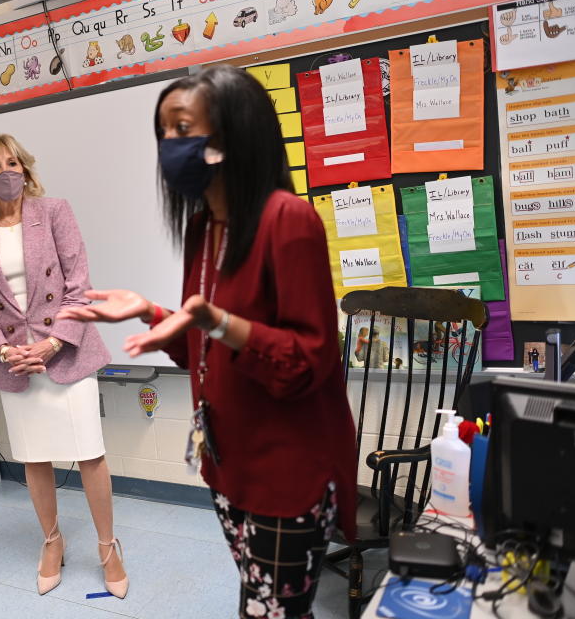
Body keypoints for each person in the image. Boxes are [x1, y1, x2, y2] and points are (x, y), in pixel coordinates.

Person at [58, 66, 357, 619]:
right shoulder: (203, 226)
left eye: (182, 128)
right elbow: (204, 338)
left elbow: (306, 363)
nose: (168, 147)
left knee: (272, 611)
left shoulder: (288, 220)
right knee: (266, 603)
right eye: (163, 133)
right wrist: (153, 313)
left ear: (229, 137)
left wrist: (215, 322)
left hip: (287, 470)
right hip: (227, 462)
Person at [0, 134, 128, 598]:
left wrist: (53, 342)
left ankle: (107, 546)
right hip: (16, 362)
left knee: (90, 453)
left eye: (12, 162)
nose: (5, 172)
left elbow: (79, 286)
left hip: (65, 353)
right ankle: (52, 541)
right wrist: (5, 350)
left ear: (25, 168)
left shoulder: (54, 211)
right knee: (35, 457)